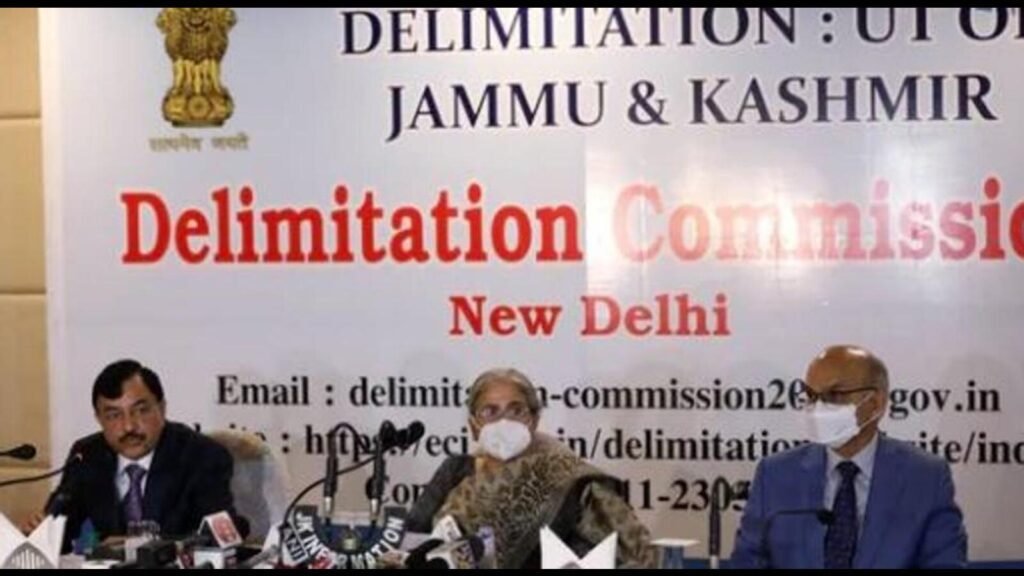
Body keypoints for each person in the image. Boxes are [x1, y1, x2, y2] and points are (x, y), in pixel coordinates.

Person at [731, 345, 968, 568]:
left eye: (834, 395)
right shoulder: (775, 474)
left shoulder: (926, 477)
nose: (818, 408)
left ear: (875, 404)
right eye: (811, 395)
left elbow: (944, 562)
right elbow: (748, 562)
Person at [407, 368, 657, 569]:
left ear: (534, 420)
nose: (504, 421)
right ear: (473, 426)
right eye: (490, 411)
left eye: (516, 410)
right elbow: (410, 539)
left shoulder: (566, 478)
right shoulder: (455, 470)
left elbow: (637, 553)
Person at [22, 359, 248, 550]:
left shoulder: (202, 456)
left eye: (141, 411)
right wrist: (44, 535)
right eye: (114, 415)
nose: (129, 426)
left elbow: (220, 536)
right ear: (99, 419)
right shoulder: (86, 455)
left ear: (162, 408)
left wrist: (140, 546)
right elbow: (63, 529)